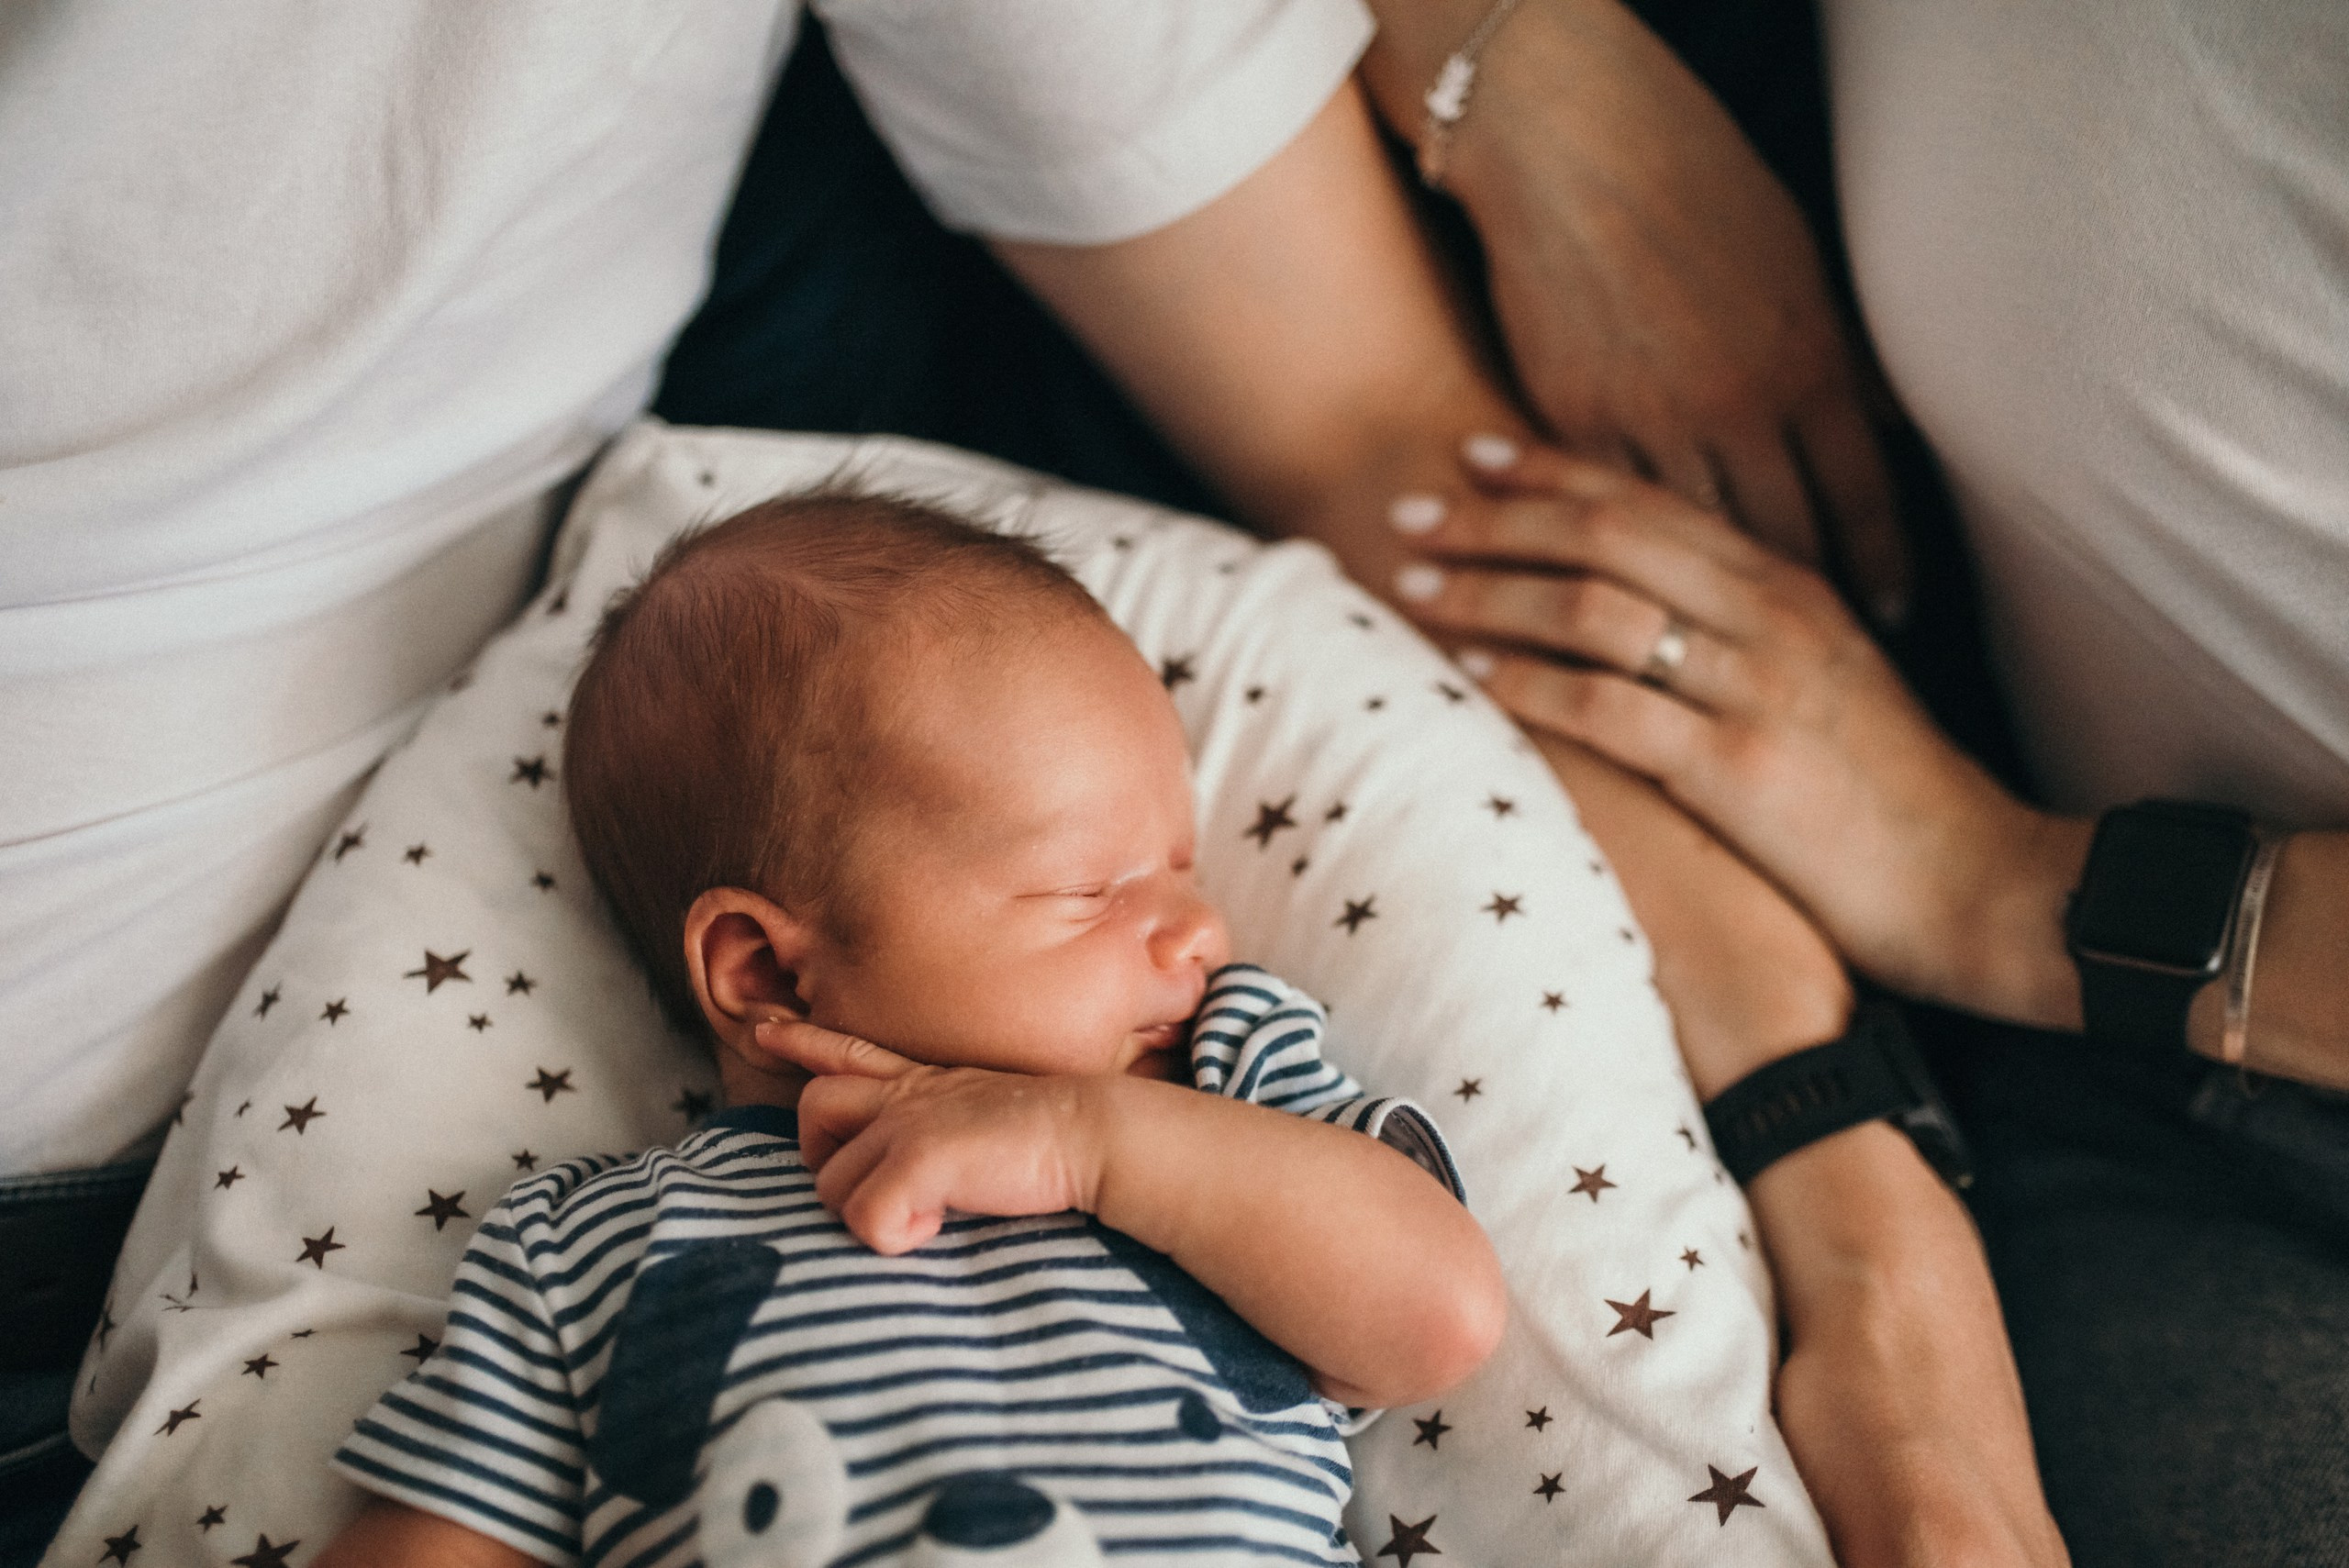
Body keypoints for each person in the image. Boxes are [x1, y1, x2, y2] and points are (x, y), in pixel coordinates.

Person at [1356, 0, 2349, 1560]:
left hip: (2084, 948)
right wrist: (1508, 51)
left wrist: (1997, 889)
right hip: (2131, 1072)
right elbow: (1349, 432)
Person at [313, 494, 1502, 1568]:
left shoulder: (1218, 1087)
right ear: (768, 968)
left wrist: (1096, 1142)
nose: (1195, 929)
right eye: (1091, 887)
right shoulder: (588, 1245)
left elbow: (1438, 1314)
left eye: (1180, 867)